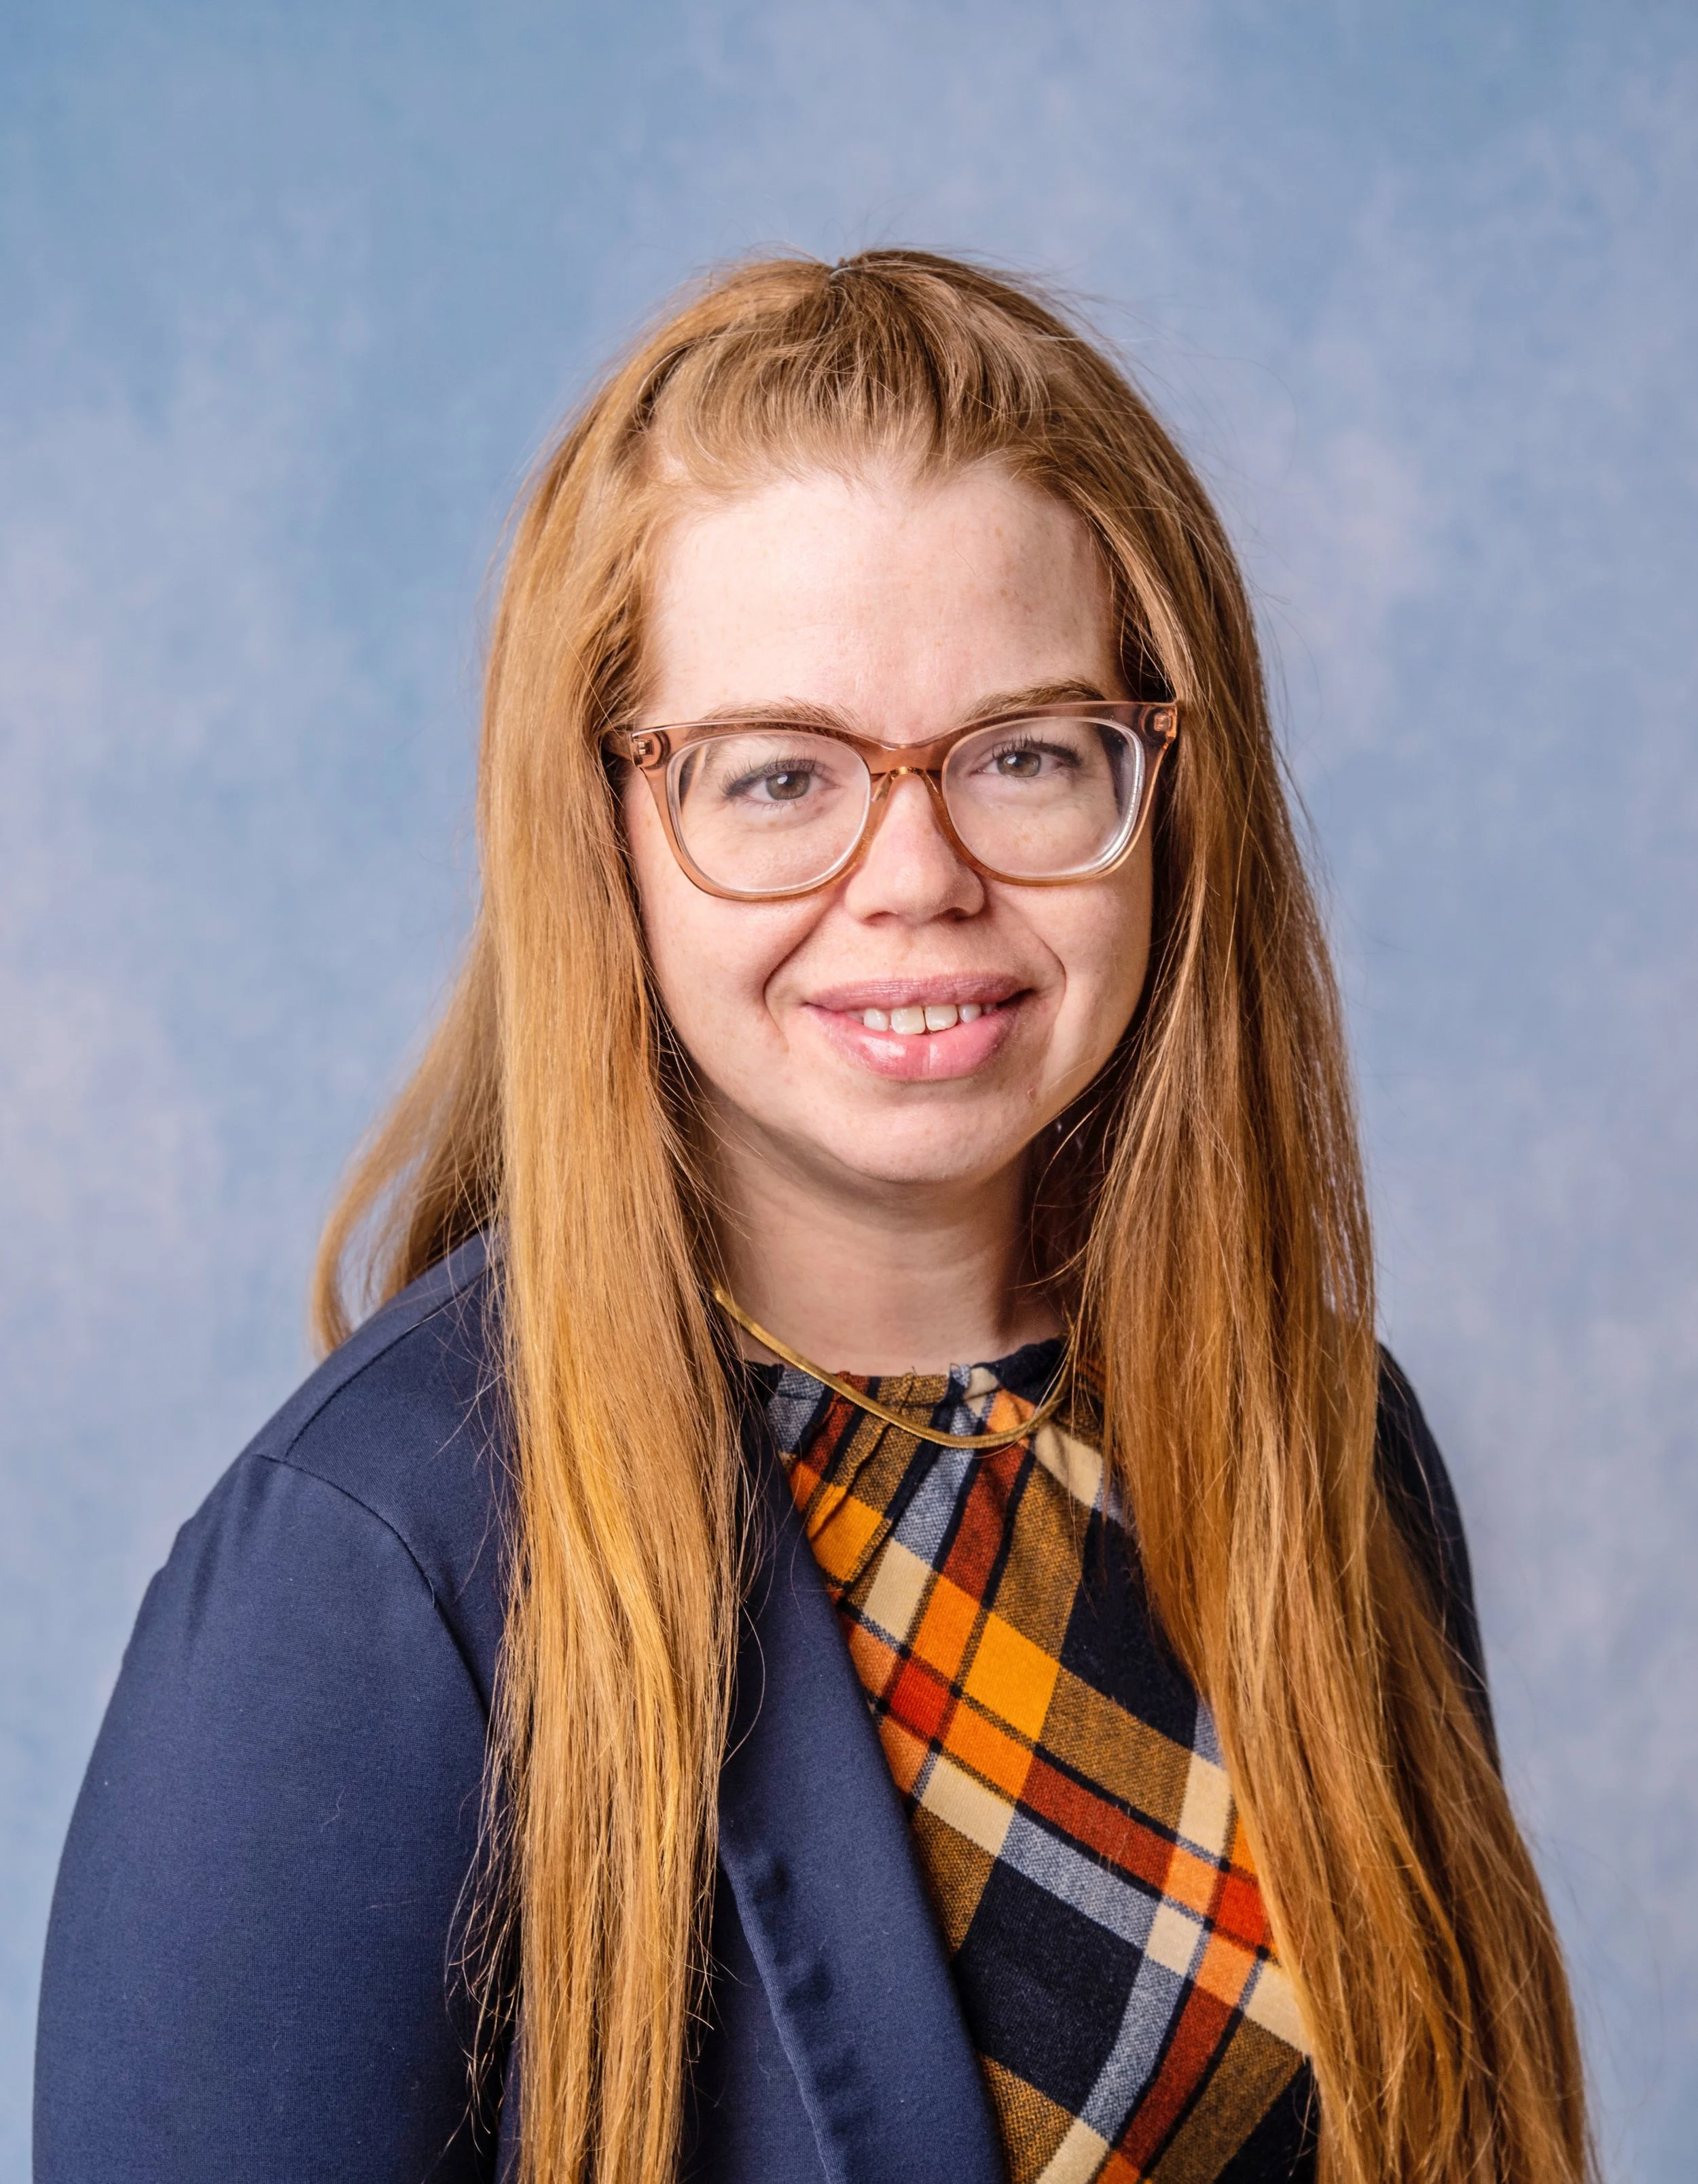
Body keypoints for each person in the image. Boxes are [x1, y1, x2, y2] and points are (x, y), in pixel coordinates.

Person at [35, 251, 1590, 2184]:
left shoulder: (1330, 1447)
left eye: (1024, 752)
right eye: (778, 776)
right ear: (604, 826)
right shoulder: (361, 1590)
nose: (914, 875)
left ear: (1168, 787)